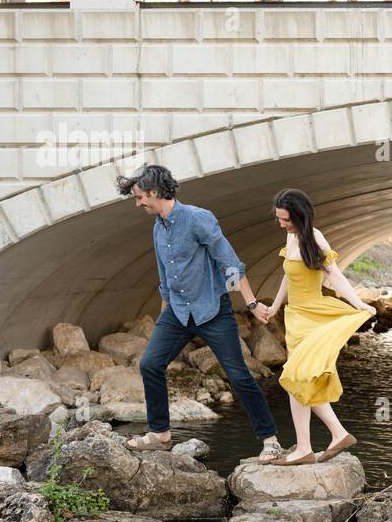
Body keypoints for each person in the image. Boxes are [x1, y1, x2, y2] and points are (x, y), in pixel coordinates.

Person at [116, 164, 285, 462]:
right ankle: (161, 434)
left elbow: (229, 263)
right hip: (178, 313)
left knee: (239, 375)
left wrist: (251, 303)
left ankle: (270, 440)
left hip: (212, 310)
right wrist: (163, 316)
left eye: (140, 196)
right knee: (150, 364)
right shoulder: (158, 227)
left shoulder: (197, 218)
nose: (138, 202)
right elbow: (164, 275)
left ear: (154, 192)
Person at [255, 188, 377, 465]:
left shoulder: (315, 238)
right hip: (294, 317)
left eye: (286, 219)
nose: (281, 224)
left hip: (313, 315)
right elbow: (289, 275)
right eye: (279, 219)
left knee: (296, 378)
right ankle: (337, 433)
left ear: (300, 216)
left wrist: (358, 303)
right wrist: (274, 307)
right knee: (302, 379)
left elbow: (335, 275)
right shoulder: (291, 236)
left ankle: (304, 448)